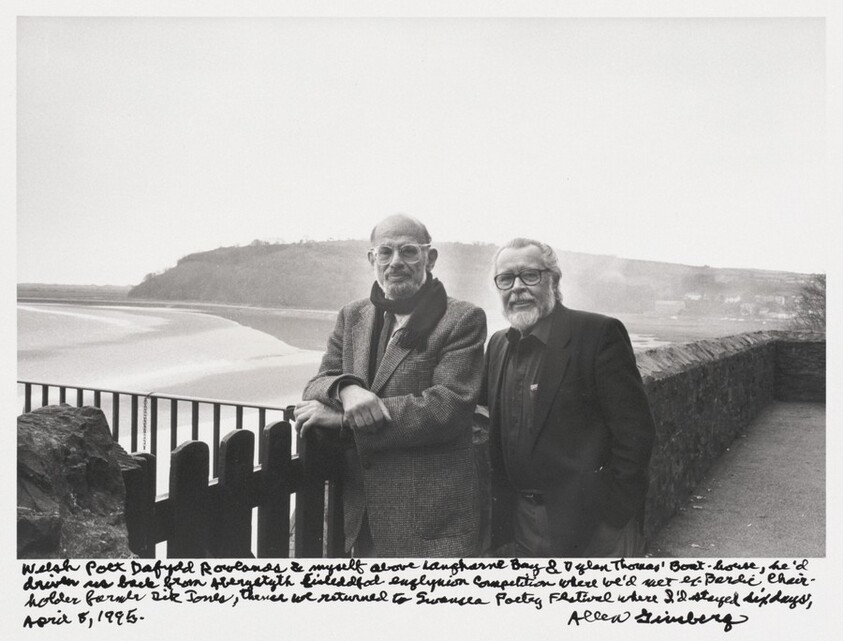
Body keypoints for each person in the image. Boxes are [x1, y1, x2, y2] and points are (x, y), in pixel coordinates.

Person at [294, 214, 486, 557]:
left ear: (430, 258)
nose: (395, 262)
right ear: (372, 260)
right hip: (359, 512)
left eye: (409, 251)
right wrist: (347, 390)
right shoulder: (352, 315)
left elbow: (448, 407)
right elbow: (317, 384)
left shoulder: (463, 319)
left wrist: (344, 419)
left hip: (428, 520)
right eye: (385, 252)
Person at [483, 237, 655, 557]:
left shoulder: (598, 334)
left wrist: (612, 524)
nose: (517, 287)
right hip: (520, 522)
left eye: (530, 275)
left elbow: (636, 437)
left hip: (591, 525)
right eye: (505, 279)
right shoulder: (497, 346)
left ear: (554, 279)